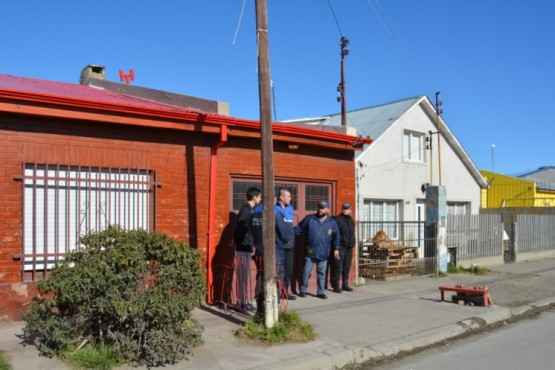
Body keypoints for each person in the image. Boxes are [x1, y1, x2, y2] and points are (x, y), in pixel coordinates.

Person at [251, 201, 293, 314]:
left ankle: (260, 307)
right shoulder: (276, 212)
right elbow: (286, 234)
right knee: (276, 279)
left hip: (259, 252)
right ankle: (274, 310)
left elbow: (251, 231)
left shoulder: (254, 212)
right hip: (274, 253)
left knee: (260, 277)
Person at [294, 200, 340, 299]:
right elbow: (298, 229)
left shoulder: (332, 222)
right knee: (306, 272)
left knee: (321, 273)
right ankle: (303, 290)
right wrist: (288, 237)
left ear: (327, 209)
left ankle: (320, 292)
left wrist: (336, 248)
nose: (320, 209)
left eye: (322, 208)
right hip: (310, 251)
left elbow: (336, 237)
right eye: (319, 207)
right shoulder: (310, 219)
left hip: (324, 252)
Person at [233, 187, 261, 310]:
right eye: (259, 197)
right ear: (254, 197)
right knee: (243, 276)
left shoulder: (249, 209)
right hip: (243, 247)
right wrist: (242, 240)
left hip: (245, 247)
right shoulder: (246, 209)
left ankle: (242, 300)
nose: (260, 199)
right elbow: (241, 225)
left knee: (243, 275)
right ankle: (242, 302)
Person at [274, 189, 296, 300]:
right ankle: (278, 292)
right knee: (279, 270)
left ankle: (285, 291)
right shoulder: (275, 209)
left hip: (289, 244)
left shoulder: (290, 208)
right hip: (278, 244)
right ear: (281, 197)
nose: (290, 198)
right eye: (288, 196)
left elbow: (290, 225)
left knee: (289, 269)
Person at [332, 202, 356, 293]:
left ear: (350, 210)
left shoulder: (351, 220)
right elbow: (335, 235)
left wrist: (353, 242)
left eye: (347, 209)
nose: (345, 210)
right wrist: (336, 248)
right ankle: (336, 286)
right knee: (338, 266)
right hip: (341, 247)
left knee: (347, 266)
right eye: (343, 209)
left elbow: (352, 233)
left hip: (349, 248)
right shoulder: (338, 220)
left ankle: (345, 284)